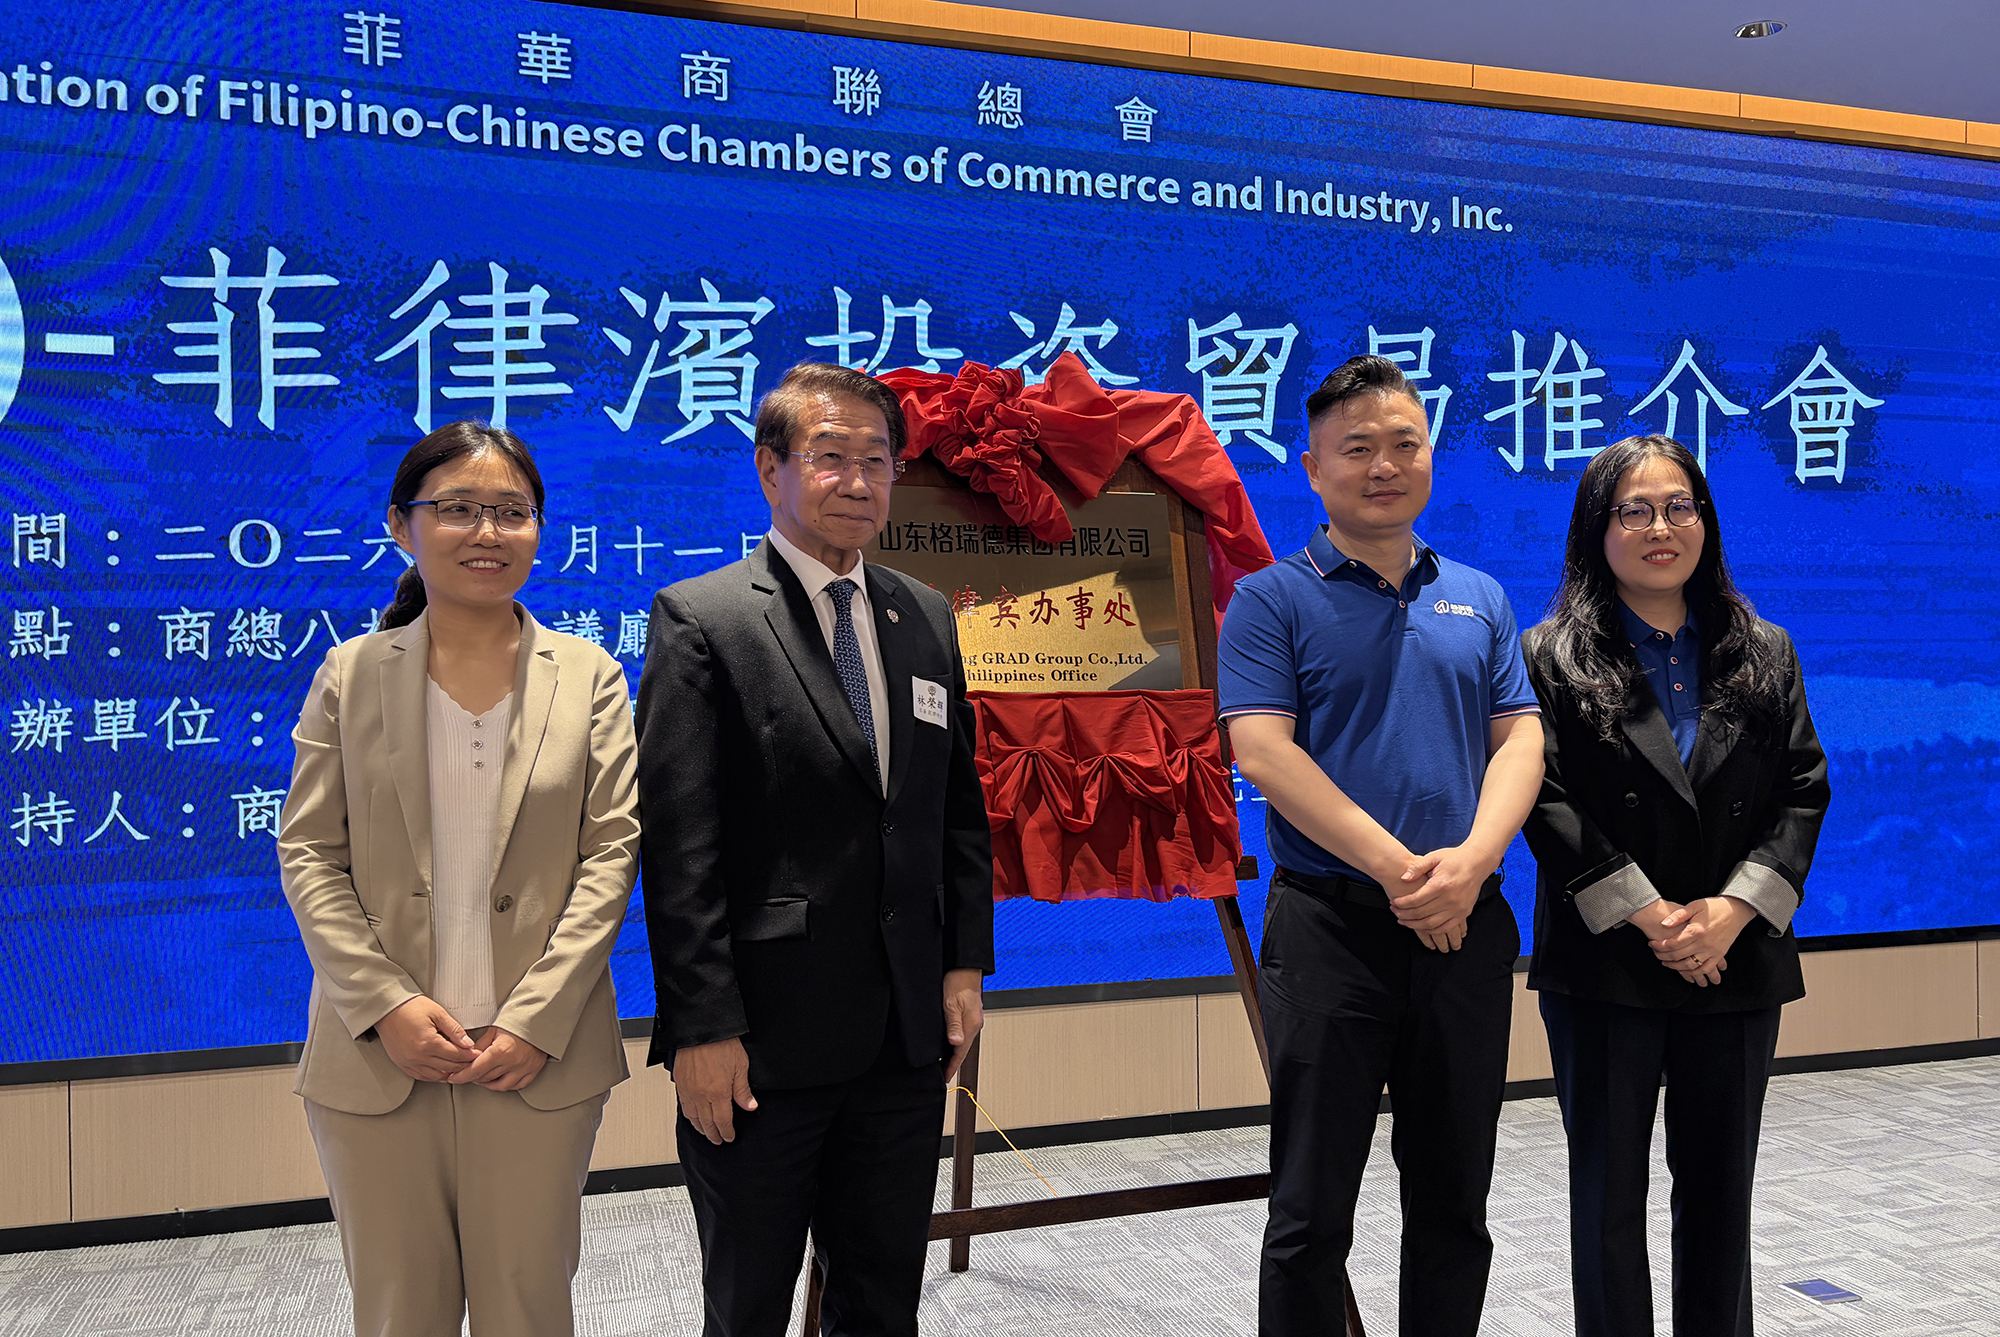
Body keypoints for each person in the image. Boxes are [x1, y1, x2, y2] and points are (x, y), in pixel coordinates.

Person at [636, 362, 994, 1337]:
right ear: (771, 469)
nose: (857, 480)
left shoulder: (923, 613)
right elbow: (679, 846)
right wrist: (701, 1028)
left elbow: (953, 809)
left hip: (902, 1035)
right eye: (830, 456)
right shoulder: (704, 618)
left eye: (876, 460)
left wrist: (962, 961)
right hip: (760, 1041)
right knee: (749, 1302)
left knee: (881, 1298)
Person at [277, 420, 641, 1337]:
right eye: (458, 509)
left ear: (539, 529)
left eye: (511, 512)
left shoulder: (589, 674)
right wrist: (385, 1004)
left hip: (536, 1058)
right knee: (400, 1312)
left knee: (529, 1307)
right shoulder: (350, 674)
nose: (487, 532)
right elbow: (309, 852)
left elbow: (611, 853)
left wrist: (537, 1016)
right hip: (378, 1057)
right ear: (402, 525)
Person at [1219, 353, 1546, 1336]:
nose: (1384, 465)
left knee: (1453, 1197)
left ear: (1430, 456)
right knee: (1310, 1207)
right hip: (1331, 930)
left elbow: (1520, 738)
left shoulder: (1479, 596)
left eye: (1404, 443)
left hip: (1464, 927)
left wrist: (1470, 864)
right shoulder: (1270, 598)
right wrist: (1403, 872)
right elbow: (1262, 751)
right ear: (1313, 468)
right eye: (1356, 447)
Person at [1521, 435, 1829, 1337]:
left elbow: (1803, 789)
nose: (1661, 527)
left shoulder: (1764, 648)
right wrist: (1651, 915)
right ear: (1597, 527)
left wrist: (1731, 910)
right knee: (1607, 1200)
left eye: (1679, 507)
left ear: (1705, 522)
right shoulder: (1548, 655)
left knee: (1722, 1195)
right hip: (1607, 962)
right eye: (1635, 510)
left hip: (1736, 959)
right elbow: (1543, 796)